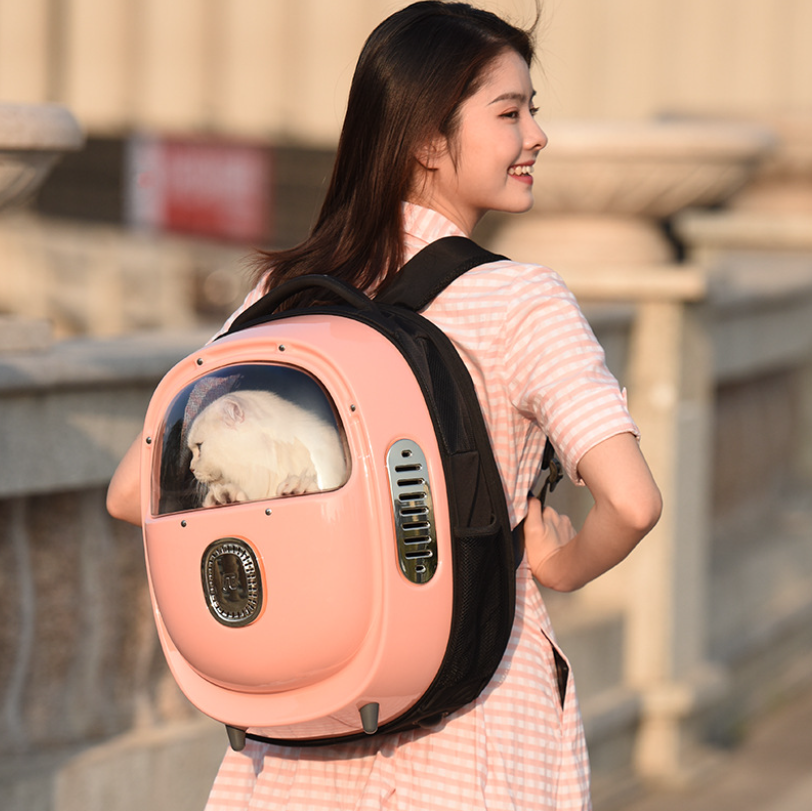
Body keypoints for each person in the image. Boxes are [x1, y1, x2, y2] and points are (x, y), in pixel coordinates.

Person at [107, 2, 662, 808]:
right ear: (427, 141)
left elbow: (134, 492)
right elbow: (633, 501)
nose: (536, 135)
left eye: (531, 110)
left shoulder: (283, 298)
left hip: (298, 738)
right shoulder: (520, 301)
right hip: (471, 733)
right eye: (509, 112)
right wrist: (559, 563)